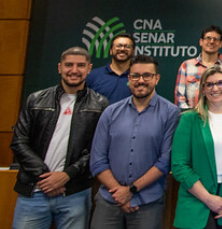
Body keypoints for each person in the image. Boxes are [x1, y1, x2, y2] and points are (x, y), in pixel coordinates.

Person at [10, 47, 110, 229]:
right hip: (34, 190)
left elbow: (99, 150)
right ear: (59, 67)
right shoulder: (36, 100)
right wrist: (46, 177)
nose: (74, 70)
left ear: (89, 68)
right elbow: (19, 142)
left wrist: (66, 175)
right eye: (68, 65)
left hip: (75, 193)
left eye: (80, 65)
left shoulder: (100, 104)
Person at [90, 55, 180, 229]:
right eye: (135, 76)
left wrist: (130, 191)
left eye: (147, 75)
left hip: (148, 203)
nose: (141, 81)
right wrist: (119, 192)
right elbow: (97, 159)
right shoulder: (110, 112)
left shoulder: (171, 113)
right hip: (109, 200)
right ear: (129, 79)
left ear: (157, 78)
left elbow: (165, 161)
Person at [171, 65, 222, 229]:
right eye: (209, 84)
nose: (215, 88)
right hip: (196, 200)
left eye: (220, 83)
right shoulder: (189, 119)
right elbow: (179, 165)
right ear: (203, 89)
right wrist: (208, 198)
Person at [175, 25, 222, 109]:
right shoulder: (186, 66)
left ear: (220, 44)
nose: (212, 42)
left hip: (219, 118)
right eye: (208, 38)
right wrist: (191, 116)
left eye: (216, 39)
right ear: (201, 41)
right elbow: (180, 99)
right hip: (191, 118)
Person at [87, 33, 135, 104]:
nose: (122, 49)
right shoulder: (92, 76)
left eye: (127, 46)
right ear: (111, 51)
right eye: (118, 46)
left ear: (133, 51)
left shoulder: (139, 78)